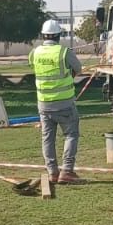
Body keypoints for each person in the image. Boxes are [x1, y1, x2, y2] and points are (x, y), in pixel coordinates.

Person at [29, 19, 83, 184]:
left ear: (43, 35)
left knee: (48, 138)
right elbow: (78, 69)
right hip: (64, 103)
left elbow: (35, 68)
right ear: (59, 36)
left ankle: (52, 172)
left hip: (44, 104)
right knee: (71, 134)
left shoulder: (35, 53)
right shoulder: (64, 52)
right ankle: (67, 171)